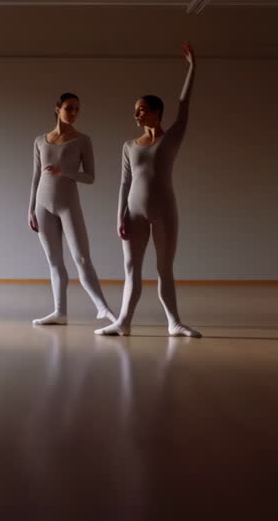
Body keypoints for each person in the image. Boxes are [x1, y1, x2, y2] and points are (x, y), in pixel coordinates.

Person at [96, 44, 201, 338]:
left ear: (157, 112)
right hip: (133, 213)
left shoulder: (172, 139)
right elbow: (124, 183)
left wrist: (192, 68)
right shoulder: (128, 146)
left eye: (142, 109)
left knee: (164, 269)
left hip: (164, 210)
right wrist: (120, 216)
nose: (137, 115)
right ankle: (123, 322)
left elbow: (184, 106)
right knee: (131, 269)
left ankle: (174, 323)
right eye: (135, 111)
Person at [28, 93, 116, 325]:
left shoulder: (83, 140)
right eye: (69, 108)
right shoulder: (39, 140)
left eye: (77, 109)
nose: (74, 113)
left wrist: (64, 171)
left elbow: (90, 177)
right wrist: (30, 210)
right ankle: (60, 312)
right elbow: (36, 177)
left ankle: (103, 308)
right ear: (57, 109)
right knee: (54, 261)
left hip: (68, 205)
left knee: (82, 258)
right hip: (42, 206)